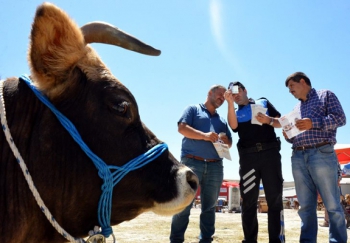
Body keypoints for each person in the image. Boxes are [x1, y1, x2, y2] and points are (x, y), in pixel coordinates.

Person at [284, 72, 347, 242]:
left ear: (303, 81)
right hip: (298, 155)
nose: (290, 91)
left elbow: (340, 118)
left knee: (332, 205)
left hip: (321, 153)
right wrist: (288, 135)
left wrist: (314, 122)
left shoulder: (325, 95)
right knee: (305, 207)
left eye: (291, 86)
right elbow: (296, 133)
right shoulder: (296, 109)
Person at [169, 85, 233, 243]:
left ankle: (206, 240)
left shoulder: (222, 120)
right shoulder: (192, 109)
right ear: (210, 93)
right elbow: (182, 128)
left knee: (210, 207)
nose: (222, 99)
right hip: (191, 163)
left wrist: (226, 141)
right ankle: (176, 240)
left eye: (224, 98)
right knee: (183, 205)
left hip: (215, 166)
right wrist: (205, 136)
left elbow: (230, 143)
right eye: (219, 95)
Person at [224, 81, 285, 243]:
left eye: (237, 92)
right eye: (231, 93)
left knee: (275, 198)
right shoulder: (235, 111)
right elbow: (234, 127)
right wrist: (230, 103)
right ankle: (250, 240)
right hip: (248, 158)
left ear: (245, 90)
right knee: (249, 200)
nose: (236, 96)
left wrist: (268, 120)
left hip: (270, 155)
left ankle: (276, 239)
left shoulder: (263, 102)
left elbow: (281, 122)